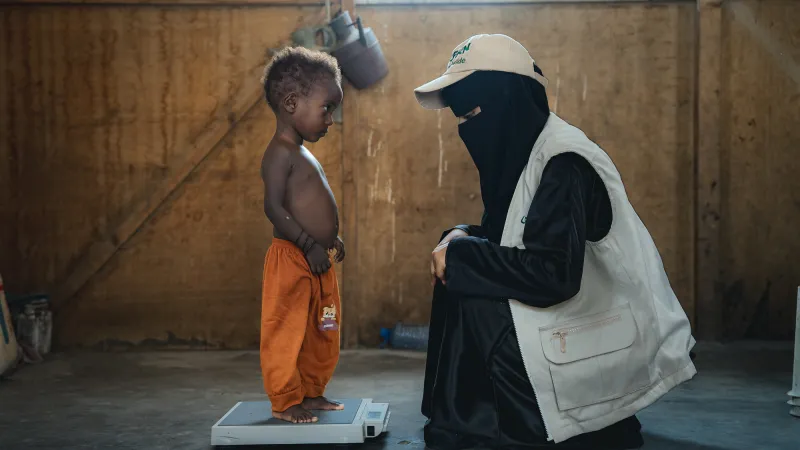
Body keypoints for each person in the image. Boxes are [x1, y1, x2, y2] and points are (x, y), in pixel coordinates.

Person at [413, 34, 697, 450]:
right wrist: (459, 235)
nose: (469, 128)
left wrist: (462, 255)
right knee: (457, 250)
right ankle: (474, 416)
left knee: (466, 270)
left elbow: (553, 276)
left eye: (475, 112)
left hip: (604, 341)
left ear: (507, 101)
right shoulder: (530, 153)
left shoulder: (563, 162)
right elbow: (506, 240)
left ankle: (494, 423)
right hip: (576, 326)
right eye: (463, 117)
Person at [259, 46, 346, 424]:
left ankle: (311, 393)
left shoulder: (302, 152)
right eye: (327, 108)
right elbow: (274, 208)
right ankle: (285, 400)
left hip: (317, 258)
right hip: (294, 259)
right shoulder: (279, 153)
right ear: (292, 103)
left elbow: (309, 205)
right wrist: (309, 244)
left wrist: (329, 240)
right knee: (286, 332)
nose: (331, 119)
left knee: (321, 331)